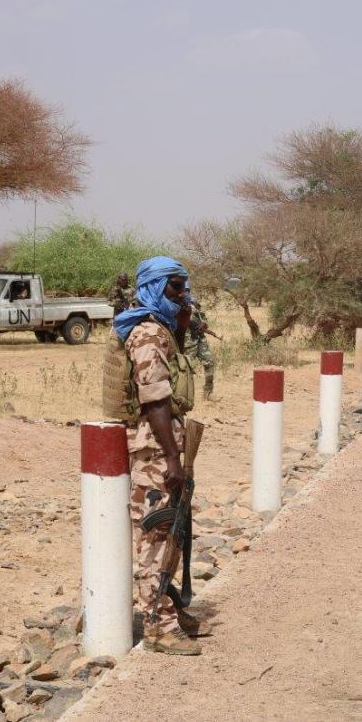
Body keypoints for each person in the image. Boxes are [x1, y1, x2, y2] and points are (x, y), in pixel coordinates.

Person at [103, 256, 202, 656]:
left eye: (184, 286)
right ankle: (158, 627)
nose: (183, 293)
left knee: (173, 531)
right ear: (156, 286)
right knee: (157, 535)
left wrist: (182, 324)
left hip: (165, 444)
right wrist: (172, 460)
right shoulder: (146, 333)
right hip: (155, 450)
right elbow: (155, 400)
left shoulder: (161, 328)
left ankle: (167, 608)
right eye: (176, 286)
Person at [183, 297, 217, 401]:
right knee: (185, 369)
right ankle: (183, 395)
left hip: (201, 340)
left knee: (209, 362)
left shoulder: (194, 302)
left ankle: (208, 393)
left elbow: (203, 317)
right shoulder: (178, 303)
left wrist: (204, 324)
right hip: (188, 343)